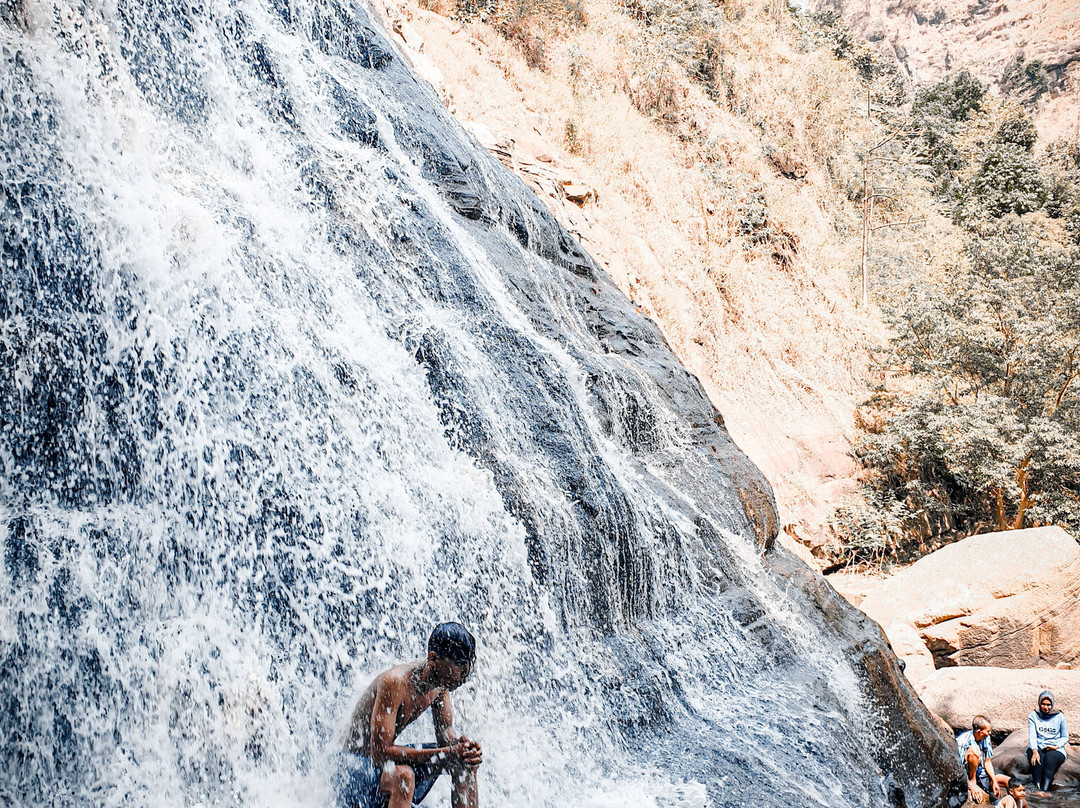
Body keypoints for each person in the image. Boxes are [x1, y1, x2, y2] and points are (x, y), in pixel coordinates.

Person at [334, 623, 483, 808]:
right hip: (350, 768)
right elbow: (379, 753)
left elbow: (446, 734)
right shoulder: (395, 683)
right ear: (433, 659)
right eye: (458, 667)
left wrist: (463, 748)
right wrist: (447, 752)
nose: (463, 676)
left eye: (466, 667)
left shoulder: (440, 687)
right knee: (404, 776)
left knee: (462, 763)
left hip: (379, 767)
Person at [957, 715, 1010, 804]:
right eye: (988, 731)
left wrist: (994, 781)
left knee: (1011, 783)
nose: (990, 733)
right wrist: (970, 785)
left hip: (983, 774)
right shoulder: (962, 742)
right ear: (979, 732)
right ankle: (973, 781)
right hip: (970, 775)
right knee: (974, 750)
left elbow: (987, 761)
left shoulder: (986, 738)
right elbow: (959, 768)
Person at [1027, 689, 1068, 796]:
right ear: (1039, 704)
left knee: (1050, 759)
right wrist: (1035, 751)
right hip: (1039, 746)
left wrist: (1057, 746)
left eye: (1049, 705)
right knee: (1037, 760)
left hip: (1055, 747)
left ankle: (1044, 791)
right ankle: (1036, 787)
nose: (1046, 707)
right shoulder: (1033, 715)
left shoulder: (1060, 716)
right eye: (1043, 704)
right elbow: (1032, 735)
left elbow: (1065, 737)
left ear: (1052, 704)